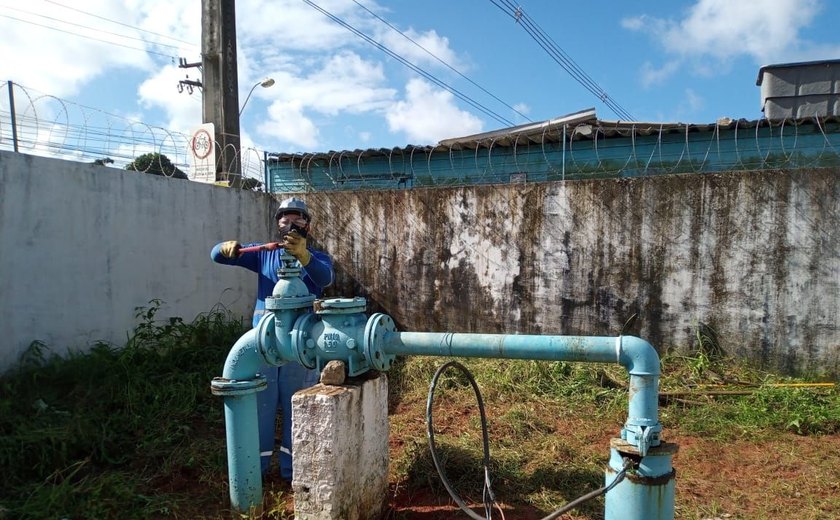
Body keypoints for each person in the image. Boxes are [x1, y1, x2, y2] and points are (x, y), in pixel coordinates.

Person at [210, 196, 334, 481]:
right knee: (260, 408)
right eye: (285, 218)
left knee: (297, 407)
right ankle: (258, 471)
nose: (291, 223)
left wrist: (305, 256)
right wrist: (224, 247)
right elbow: (217, 256)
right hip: (264, 345)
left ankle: (294, 472)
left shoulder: (317, 257)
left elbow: (325, 278)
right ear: (277, 223)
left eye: (298, 218)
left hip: (300, 348)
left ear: (308, 226)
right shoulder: (264, 254)